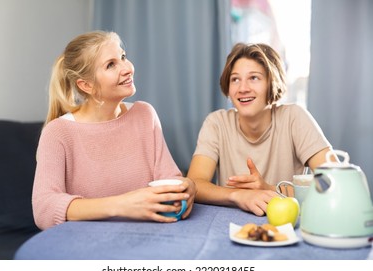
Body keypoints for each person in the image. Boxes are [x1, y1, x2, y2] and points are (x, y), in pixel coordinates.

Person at [32, 30, 196, 230]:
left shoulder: (145, 114)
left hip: (147, 236)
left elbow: (169, 177)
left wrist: (187, 187)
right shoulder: (58, 133)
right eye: (111, 65)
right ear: (87, 85)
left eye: (123, 57)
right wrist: (122, 205)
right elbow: (44, 209)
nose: (127, 68)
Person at [187, 42, 336, 217]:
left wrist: (269, 190)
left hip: (288, 225)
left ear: (271, 83)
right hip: (229, 225)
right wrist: (239, 195)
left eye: (254, 78)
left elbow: (334, 182)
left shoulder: (294, 117)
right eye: (235, 79)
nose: (243, 88)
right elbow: (195, 184)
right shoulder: (216, 122)